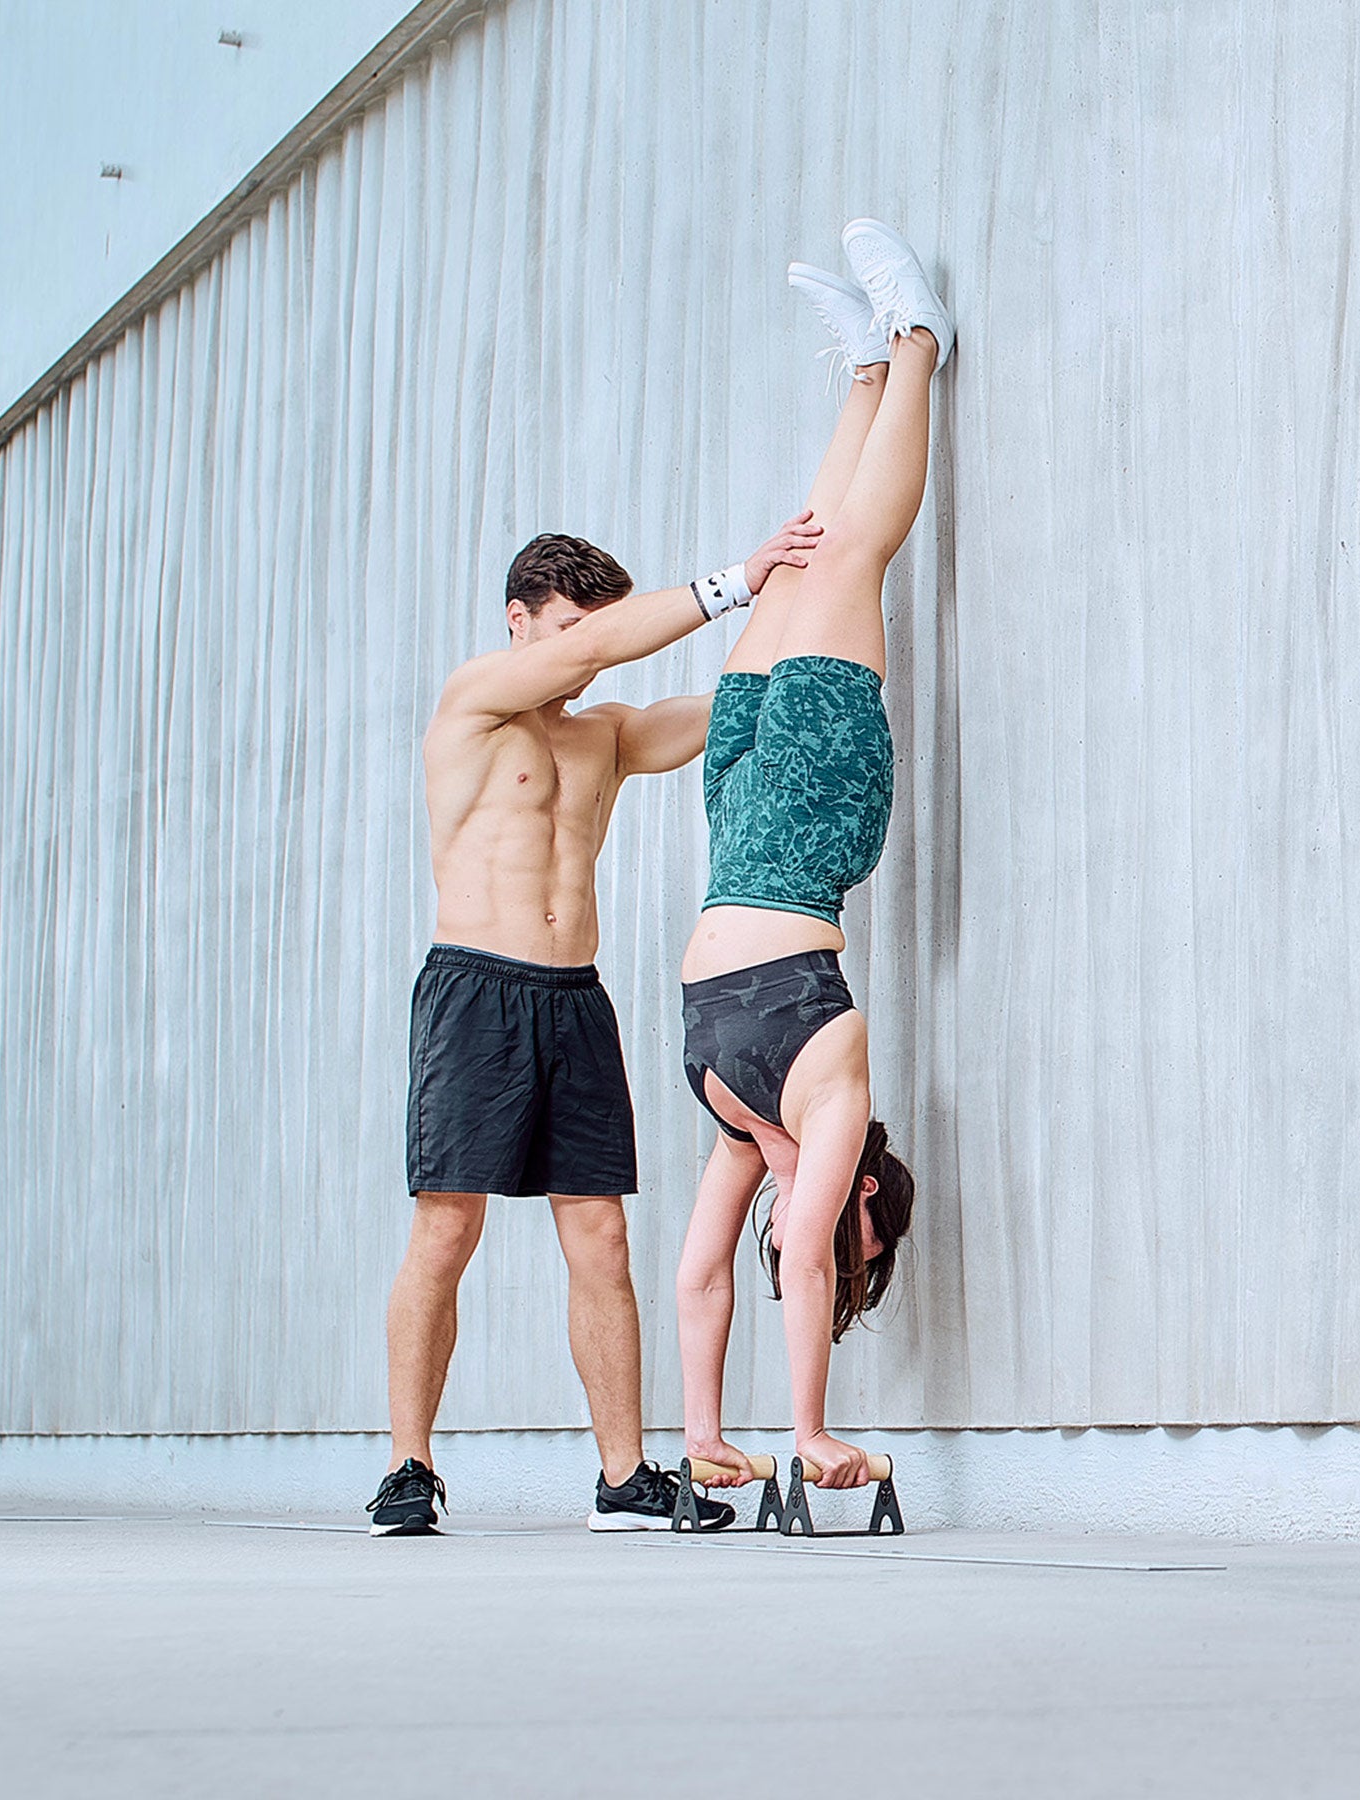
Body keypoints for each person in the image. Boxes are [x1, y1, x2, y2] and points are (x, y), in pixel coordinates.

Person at [367, 513, 822, 1536]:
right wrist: (735, 581)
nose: (582, 653)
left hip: (575, 1001)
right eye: (567, 629)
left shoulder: (603, 734)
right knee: (447, 1229)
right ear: (517, 621)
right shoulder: (475, 700)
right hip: (474, 991)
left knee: (601, 1237)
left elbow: (729, 708)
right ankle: (407, 1467)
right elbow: (596, 649)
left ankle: (624, 1479)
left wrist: (799, 606)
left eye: (594, 631)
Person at [675, 220, 950, 1492]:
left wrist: (703, 1436)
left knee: (784, 576)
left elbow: (697, 1275)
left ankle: (855, 379)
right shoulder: (827, 1100)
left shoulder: (743, 1129)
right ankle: (917, 343)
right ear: (856, 1209)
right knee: (847, 561)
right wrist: (810, 1434)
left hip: (735, 826)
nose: (819, 1224)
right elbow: (796, 1239)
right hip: (809, 842)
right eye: (846, 1223)